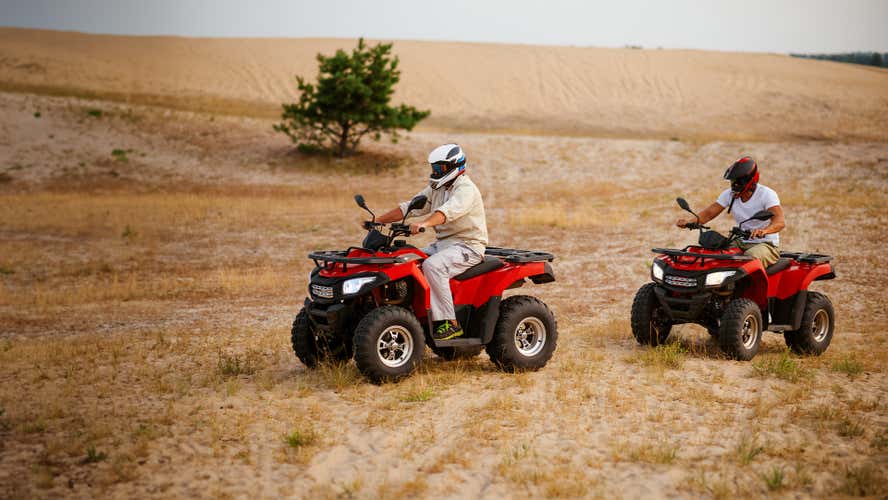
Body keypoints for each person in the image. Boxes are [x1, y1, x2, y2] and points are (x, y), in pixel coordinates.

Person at [371, 144, 488, 340]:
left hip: (468, 246)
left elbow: (446, 212)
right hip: (444, 245)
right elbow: (410, 207)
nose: (436, 172)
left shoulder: (466, 189)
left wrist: (423, 224)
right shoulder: (437, 188)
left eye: (440, 168)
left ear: (455, 166)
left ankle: (448, 323)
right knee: (405, 260)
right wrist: (378, 220)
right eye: (434, 168)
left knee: (433, 266)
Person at [676, 156, 785, 267]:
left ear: (750, 180)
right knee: (715, 256)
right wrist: (689, 222)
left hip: (765, 244)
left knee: (749, 259)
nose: (734, 185)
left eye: (738, 181)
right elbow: (709, 213)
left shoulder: (766, 194)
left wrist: (764, 231)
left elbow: (779, 222)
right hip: (739, 241)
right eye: (733, 181)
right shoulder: (729, 194)